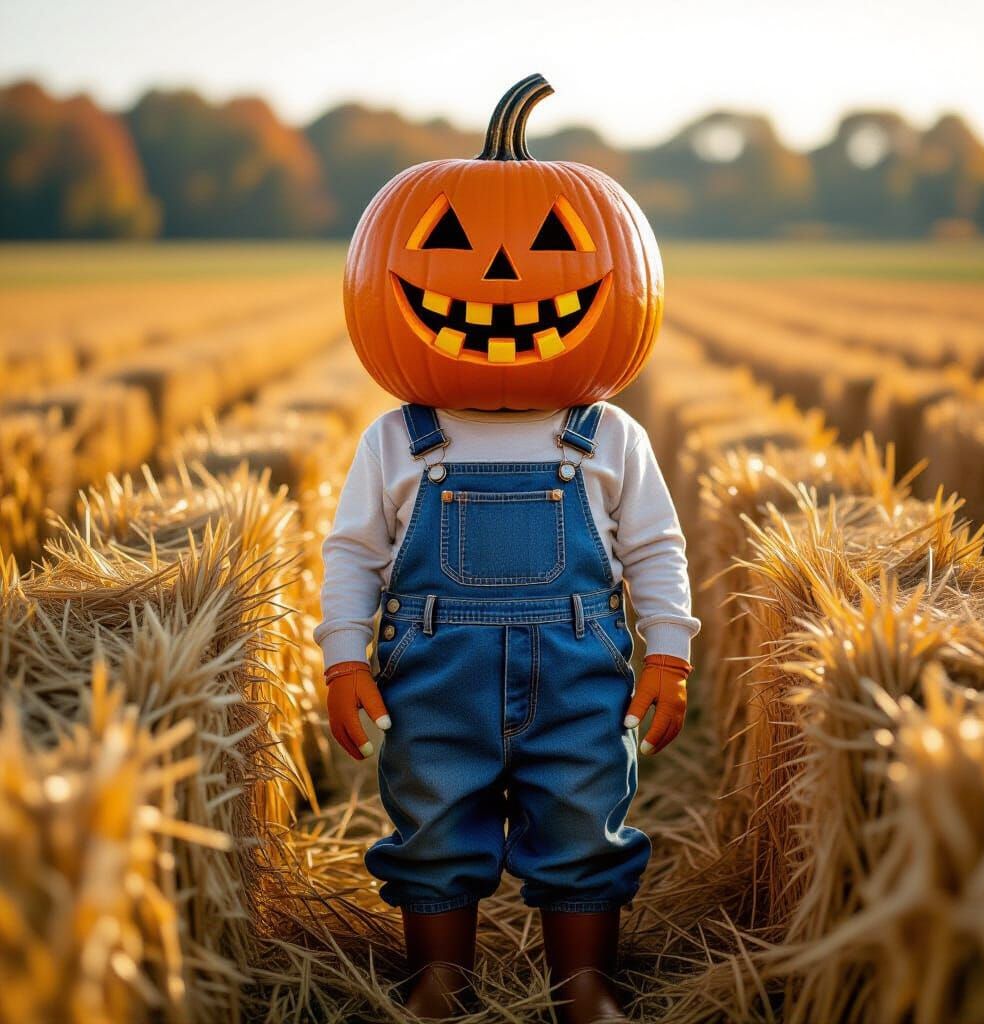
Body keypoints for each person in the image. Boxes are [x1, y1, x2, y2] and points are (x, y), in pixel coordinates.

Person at [316, 75, 700, 1023]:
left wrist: (667, 651)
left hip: (577, 674)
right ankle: (441, 983)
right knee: (432, 825)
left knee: (583, 821)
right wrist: (343, 658)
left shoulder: (605, 436)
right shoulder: (399, 439)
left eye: (551, 248)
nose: (495, 281)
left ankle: (586, 986)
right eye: (446, 243)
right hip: (434, 679)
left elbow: (654, 547)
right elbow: (353, 555)